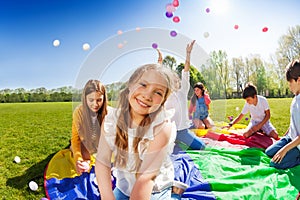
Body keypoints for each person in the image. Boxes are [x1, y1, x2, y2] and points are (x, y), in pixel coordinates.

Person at [95, 63, 180, 199]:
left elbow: (146, 178)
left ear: (163, 101)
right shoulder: (111, 120)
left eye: (158, 92)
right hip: (125, 188)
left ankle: (174, 192)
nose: (147, 95)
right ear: (130, 85)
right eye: (143, 85)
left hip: (154, 189)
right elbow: (102, 162)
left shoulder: (162, 127)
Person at [164, 40, 206, 151]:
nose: (175, 82)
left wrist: (188, 54)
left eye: (177, 80)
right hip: (168, 131)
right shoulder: (165, 94)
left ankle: (179, 140)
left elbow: (186, 70)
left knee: (201, 147)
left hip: (183, 131)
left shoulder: (183, 91)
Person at [265, 59, 300, 169]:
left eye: (290, 83)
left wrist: (284, 150)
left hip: (298, 145)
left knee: (274, 163)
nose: (289, 87)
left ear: (298, 80)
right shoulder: (295, 98)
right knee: (269, 152)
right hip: (291, 138)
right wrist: (285, 137)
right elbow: (294, 122)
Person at [71, 79, 108, 174]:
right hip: (85, 142)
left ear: (104, 99)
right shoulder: (79, 112)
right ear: (85, 98)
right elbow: (76, 139)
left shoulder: (108, 112)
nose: (95, 104)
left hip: (100, 143)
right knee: (82, 162)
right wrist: (78, 159)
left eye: (99, 100)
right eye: (91, 100)